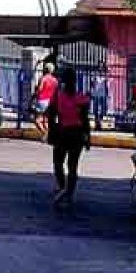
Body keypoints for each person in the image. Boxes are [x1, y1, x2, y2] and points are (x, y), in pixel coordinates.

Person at [47, 72, 91, 209]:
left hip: (63, 133)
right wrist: (87, 138)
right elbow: (85, 121)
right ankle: (69, 193)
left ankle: (62, 187)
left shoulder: (57, 96)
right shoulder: (81, 98)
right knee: (72, 165)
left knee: (58, 163)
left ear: (63, 82)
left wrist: (51, 132)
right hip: (77, 134)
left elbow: (51, 115)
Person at [30, 63, 59, 140]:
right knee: (45, 120)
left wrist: (33, 96)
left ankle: (44, 133)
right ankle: (48, 135)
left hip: (42, 100)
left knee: (37, 120)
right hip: (50, 101)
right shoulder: (55, 80)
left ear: (45, 69)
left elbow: (40, 89)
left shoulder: (43, 78)